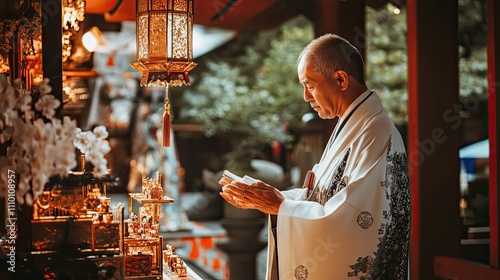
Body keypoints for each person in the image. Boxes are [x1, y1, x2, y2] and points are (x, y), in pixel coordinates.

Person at [219, 33, 411, 280]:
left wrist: (282, 207)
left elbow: (354, 218)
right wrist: (276, 198)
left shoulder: (376, 131)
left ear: (341, 79)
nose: (306, 97)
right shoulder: (350, 128)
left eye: (310, 85)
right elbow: (324, 196)